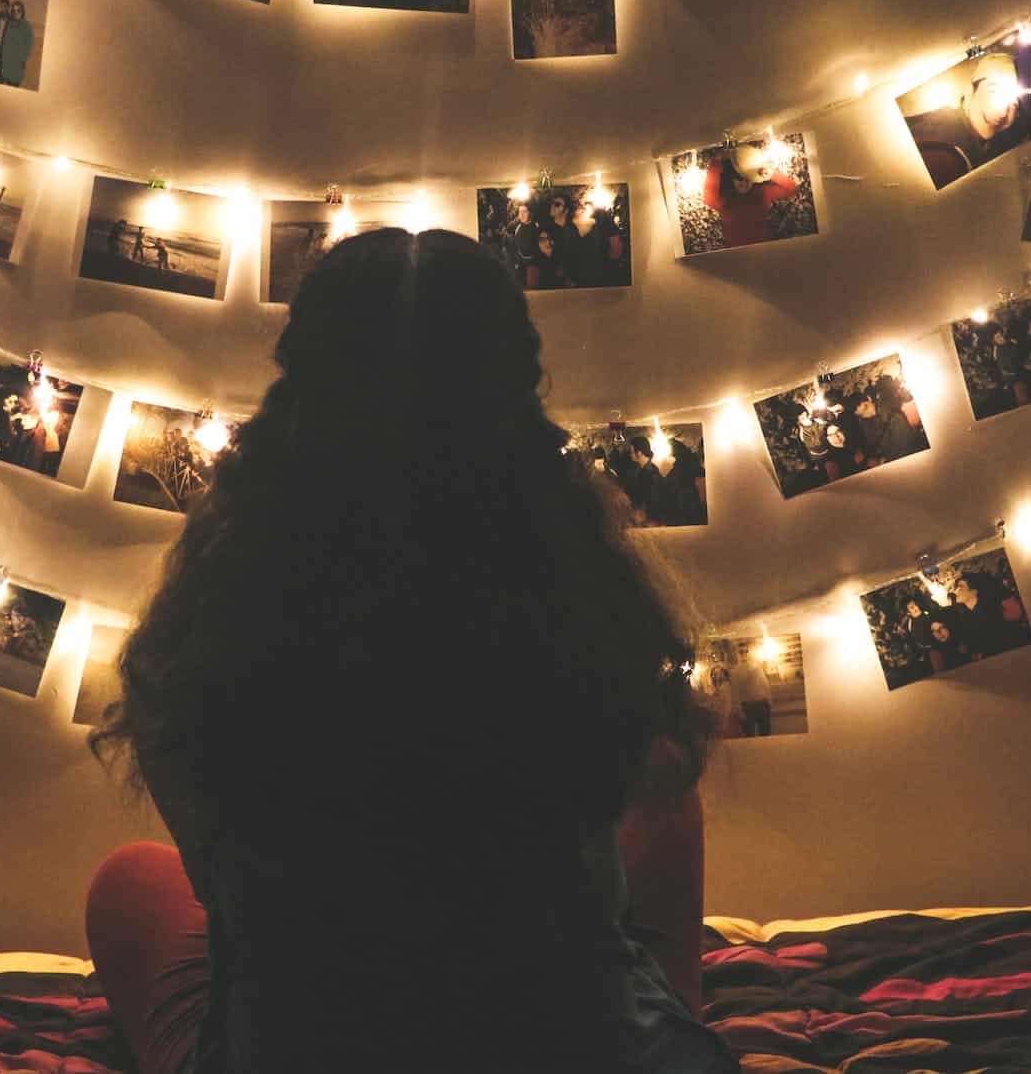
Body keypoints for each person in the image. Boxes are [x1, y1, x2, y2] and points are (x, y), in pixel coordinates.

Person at [83, 228, 735, 1074]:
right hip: (567, 1042)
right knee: (665, 819)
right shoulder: (578, 621)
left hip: (302, 1043)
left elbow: (225, 889)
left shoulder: (213, 642)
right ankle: (664, 1019)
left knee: (133, 885)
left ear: (300, 390)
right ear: (516, 393)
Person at [904, 50, 1030, 189]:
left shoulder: (993, 146)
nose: (1002, 111)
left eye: (1014, 104)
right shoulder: (943, 154)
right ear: (970, 91)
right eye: (993, 91)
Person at [699, 143, 798, 249]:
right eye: (738, 178)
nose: (744, 182)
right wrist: (718, 161)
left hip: (764, 249)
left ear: (754, 179)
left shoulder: (763, 192)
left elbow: (791, 189)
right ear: (732, 179)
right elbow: (708, 198)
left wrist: (771, 174)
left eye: (747, 178)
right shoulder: (726, 199)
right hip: (737, 253)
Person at [729, 649, 772, 737]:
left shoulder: (756, 668)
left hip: (758, 704)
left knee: (761, 733)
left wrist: (769, 700)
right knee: (753, 734)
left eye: (745, 652)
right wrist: (739, 709)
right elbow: (735, 692)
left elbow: (764, 684)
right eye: (742, 652)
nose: (744, 655)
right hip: (750, 706)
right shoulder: (735, 672)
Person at [0, 0, 34, 87]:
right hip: (7, 64)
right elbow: (5, 42)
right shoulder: (10, 24)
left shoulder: (27, 26)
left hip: (17, 65)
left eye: (18, 10)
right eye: (14, 10)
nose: (16, 12)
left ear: (22, 11)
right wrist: (3, 57)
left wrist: (22, 59)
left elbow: (28, 46)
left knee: (14, 87)